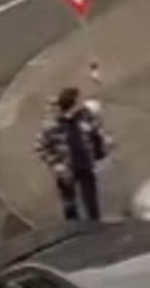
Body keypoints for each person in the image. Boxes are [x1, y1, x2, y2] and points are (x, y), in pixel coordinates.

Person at [34, 87, 112, 221]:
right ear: (72, 104)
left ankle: (95, 226)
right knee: (69, 204)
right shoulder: (51, 126)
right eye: (79, 100)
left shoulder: (85, 115)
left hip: (85, 164)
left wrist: (103, 138)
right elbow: (40, 147)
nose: (83, 102)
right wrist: (56, 164)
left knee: (91, 200)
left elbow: (97, 128)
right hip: (67, 169)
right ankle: (73, 228)